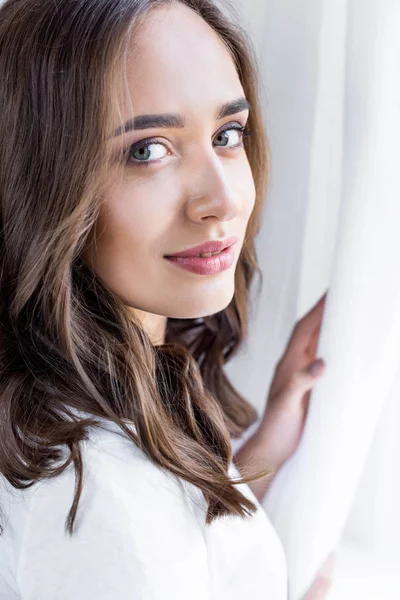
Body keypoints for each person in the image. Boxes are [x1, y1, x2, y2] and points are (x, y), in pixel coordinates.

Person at [0, 0, 335, 598]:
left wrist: (261, 454)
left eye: (227, 135)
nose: (222, 199)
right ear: (43, 180)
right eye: (147, 150)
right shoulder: (96, 495)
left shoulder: (94, 418)